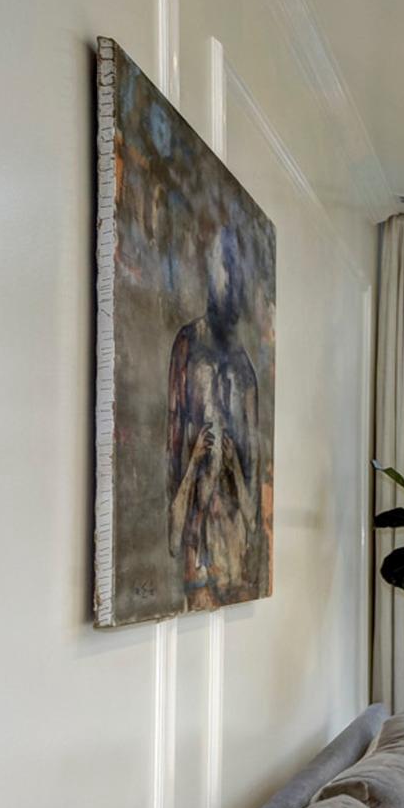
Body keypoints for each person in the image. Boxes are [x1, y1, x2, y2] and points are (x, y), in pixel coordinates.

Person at [167, 225, 260, 608]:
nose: (228, 280)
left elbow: (253, 455)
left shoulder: (244, 367)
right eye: (222, 267)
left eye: (234, 271)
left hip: (231, 534)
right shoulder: (188, 345)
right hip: (197, 528)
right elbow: (174, 440)